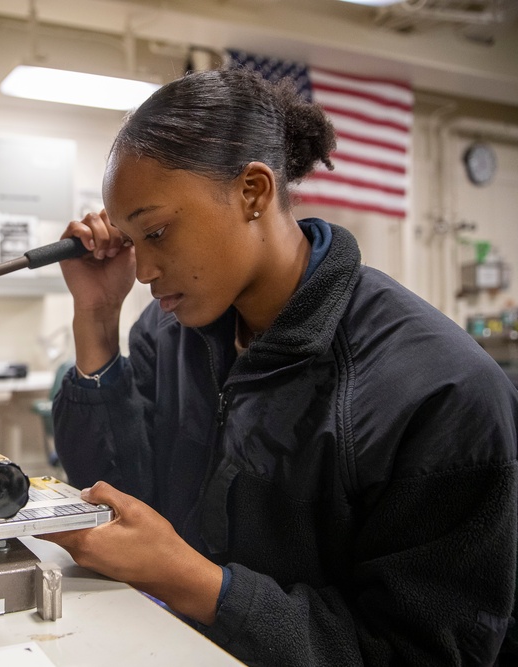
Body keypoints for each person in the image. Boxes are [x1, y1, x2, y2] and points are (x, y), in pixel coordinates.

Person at [41, 68, 518, 664]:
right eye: (135, 240)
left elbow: (418, 651)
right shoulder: (171, 333)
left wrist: (201, 586)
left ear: (253, 192)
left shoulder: (440, 391)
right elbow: (117, 501)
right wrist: (96, 314)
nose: (143, 271)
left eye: (159, 231)